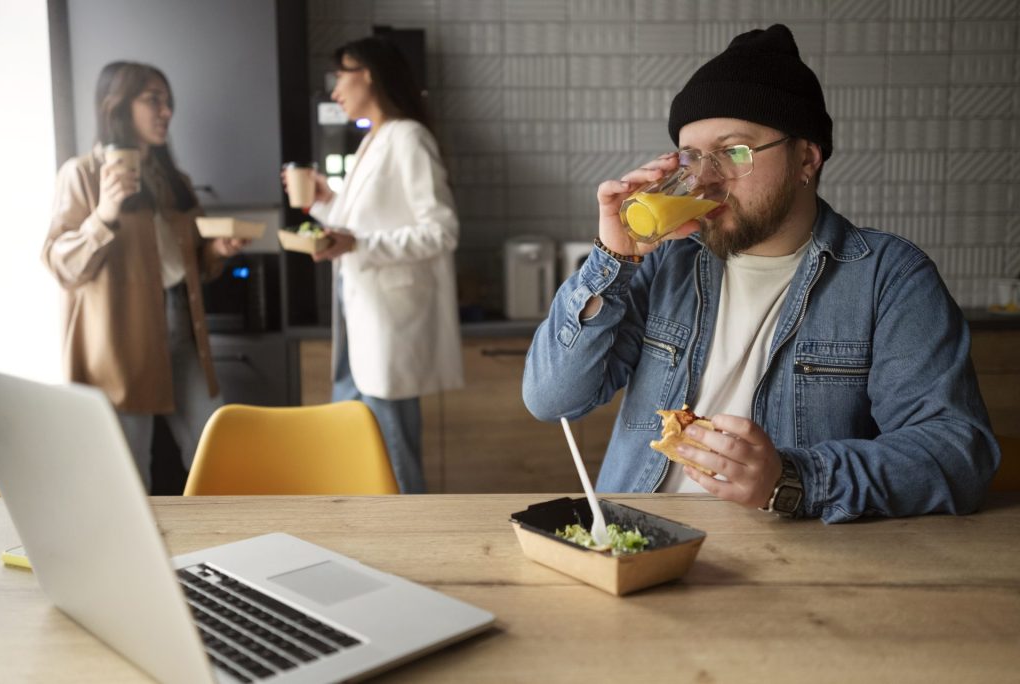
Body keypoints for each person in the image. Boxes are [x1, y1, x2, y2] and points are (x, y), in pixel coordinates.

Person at [522, 25, 1000, 523]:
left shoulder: (889, 278)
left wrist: (792, 480)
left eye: (733, 152)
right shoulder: (664, 262)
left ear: (806, 159)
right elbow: (553, 398)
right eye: (691, 157)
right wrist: (614, 258)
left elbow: (957, 456)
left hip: (792, 560)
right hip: (641, 543)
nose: (705, 177)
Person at [42, 61, 246, 492]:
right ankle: (137, 560)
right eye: (153, 99)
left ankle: (228, 554)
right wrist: (104, 214)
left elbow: (192, 263)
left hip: (182, 332)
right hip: (121, 343)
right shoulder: (82, 175)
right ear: (117, 104)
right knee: (129, 476)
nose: (166, 111)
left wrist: (217, 251)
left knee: (219, 458)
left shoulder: (176, 180)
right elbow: (61, 264)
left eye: (168, 101)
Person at [295, 36, 463, 493]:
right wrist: (326, 202)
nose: (334, 92)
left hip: (389, 325)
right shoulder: (374, 138)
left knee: (392, 456)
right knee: (355, 447)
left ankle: (416, 548)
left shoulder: (408, 137)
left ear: (366, 72)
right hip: (359, 318)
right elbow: (357, 229)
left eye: (339, 78)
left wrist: (357, 241)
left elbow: (442, 231)